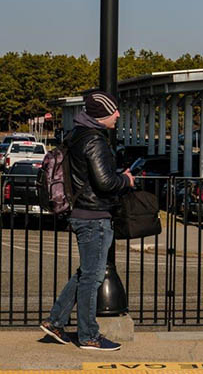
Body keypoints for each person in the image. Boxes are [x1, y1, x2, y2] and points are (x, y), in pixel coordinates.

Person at [39, 90, 134, 351]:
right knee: (92, 278)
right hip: (94, 216)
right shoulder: (95, 140)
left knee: (85, 273)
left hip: (79, 212)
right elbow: (105, 183)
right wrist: (126, 180)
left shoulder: (76, 135)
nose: (116, 115)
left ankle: (56, 321)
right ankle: (89, 335)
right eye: (113, 111)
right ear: (101, 114)